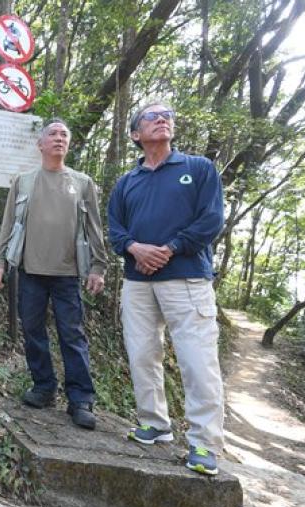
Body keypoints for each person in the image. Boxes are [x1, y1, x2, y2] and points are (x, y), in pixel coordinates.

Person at [108, 102, 225, 475]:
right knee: (142, 354)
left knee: (196, 359)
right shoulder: (127, 182)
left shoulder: (198, 169)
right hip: (138, 281)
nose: (162, 119)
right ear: (135, 134)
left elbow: (211, 220)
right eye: (151, 116)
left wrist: (171, 248)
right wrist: (134, 247)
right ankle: (154, 423)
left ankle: (204, 443)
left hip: (187, 277)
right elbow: (115, 229)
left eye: (167, 115)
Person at [0, 118, 107, 430]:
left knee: (73, 335)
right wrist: (0, 261)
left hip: (68, 273)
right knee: (32, 332)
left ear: (68, 144)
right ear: (40, 144)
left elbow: (94, 227)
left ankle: (81, 399)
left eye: (64, 135)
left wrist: (98, 265)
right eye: (53, 134)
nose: (59, 138)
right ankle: (44, 387)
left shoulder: (82, 183)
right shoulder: (24, 181)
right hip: (30, 269)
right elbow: (9, 223)